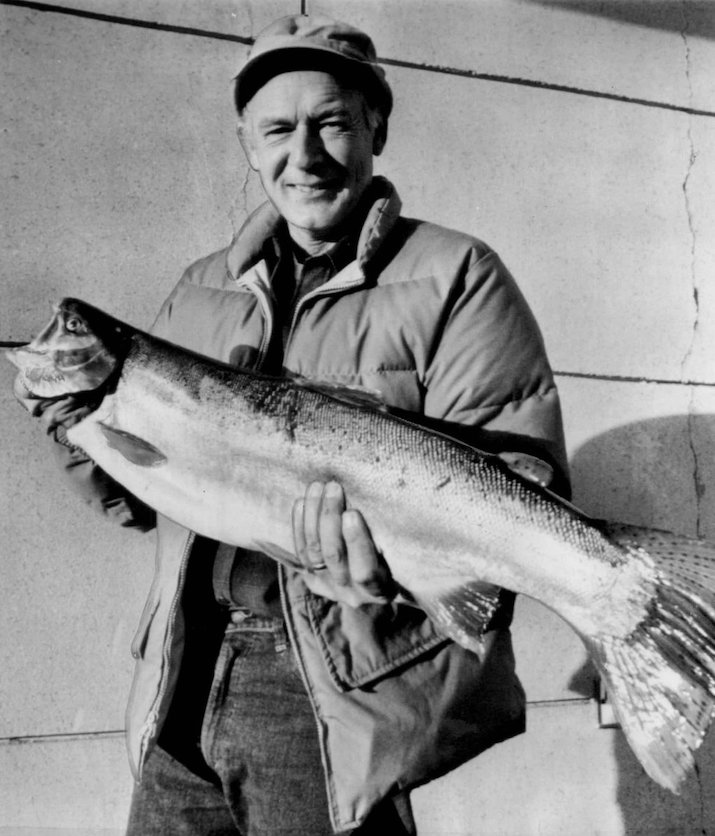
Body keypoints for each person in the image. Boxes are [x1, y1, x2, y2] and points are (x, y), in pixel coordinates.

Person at [15, 14, 569, 836]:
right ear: (247, 143)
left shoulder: (455, 273)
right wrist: (74, 427)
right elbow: (136, 500)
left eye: (331, 123)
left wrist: (379, 581)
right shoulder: (202, 286)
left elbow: (518, 490)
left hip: (324, 688)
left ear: (376, 126)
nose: (302, 156)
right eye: (277, 129)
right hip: (182, 675)